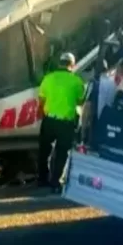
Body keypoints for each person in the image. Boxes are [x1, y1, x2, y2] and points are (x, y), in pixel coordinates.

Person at [37, 52, 85, 190]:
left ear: (60, 63)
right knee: (62, 152)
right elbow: (81, 101)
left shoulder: (48, 78)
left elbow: (41, 100)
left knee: (44, 151)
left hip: (49, 120)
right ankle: (55, 181)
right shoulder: (77, 81)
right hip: (66, 123)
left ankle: (42, 179)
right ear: (72, 65)